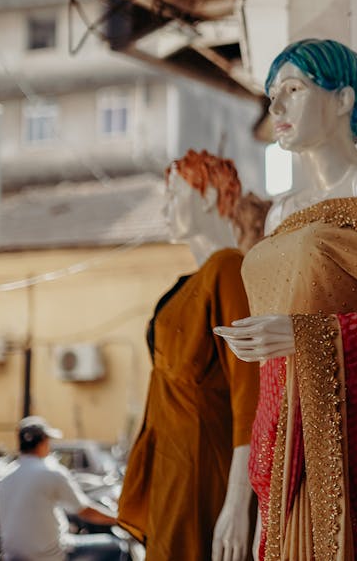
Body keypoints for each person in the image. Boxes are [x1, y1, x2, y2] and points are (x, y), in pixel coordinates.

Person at [215, 38, 357, 561]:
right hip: (284, 437)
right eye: (272, 94)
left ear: (343, 100)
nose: (276, 108)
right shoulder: (279, 214)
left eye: (293, 89)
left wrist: (314, 336)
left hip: (353, 442)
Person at [117, 150, 265, 561]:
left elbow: (248, 393)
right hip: (171, 467)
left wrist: (238, 501)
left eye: (174, 194)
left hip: (204, 471)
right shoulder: (189, 283)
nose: (165, 207)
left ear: (207, 196)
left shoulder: (228, 269)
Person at [0, 416, 125, 561]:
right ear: (43, 442)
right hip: (49, 556)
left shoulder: (6, 476)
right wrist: (120, 519)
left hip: (12, 556)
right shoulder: (51, 472)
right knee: (115, 547)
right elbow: (85, 511)